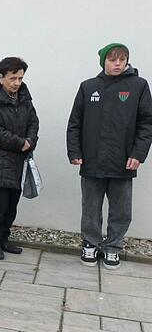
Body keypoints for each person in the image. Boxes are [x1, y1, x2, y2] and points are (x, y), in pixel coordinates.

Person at [67, 43, 152, 270]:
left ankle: (113, 247)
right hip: (92, 160)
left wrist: (138, 154)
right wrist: (74, 151)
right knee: (90, 207)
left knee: (121, 209)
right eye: (112, 60)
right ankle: (91, 243)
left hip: (123, 161)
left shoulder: (139, 86)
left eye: (122, 60)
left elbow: (146, 124)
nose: (117, 64)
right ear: (103, 61)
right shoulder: (88, 87)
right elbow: (75, 122)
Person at [0, 57, 39, 260]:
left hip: (18, 162)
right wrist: (20, 143)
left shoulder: (25, 100)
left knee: (11, 206)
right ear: (1, 77)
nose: (17, 83)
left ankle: (4, 239)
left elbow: (34, 123)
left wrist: (31, 140)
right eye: (13, 78)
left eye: (20, 78)